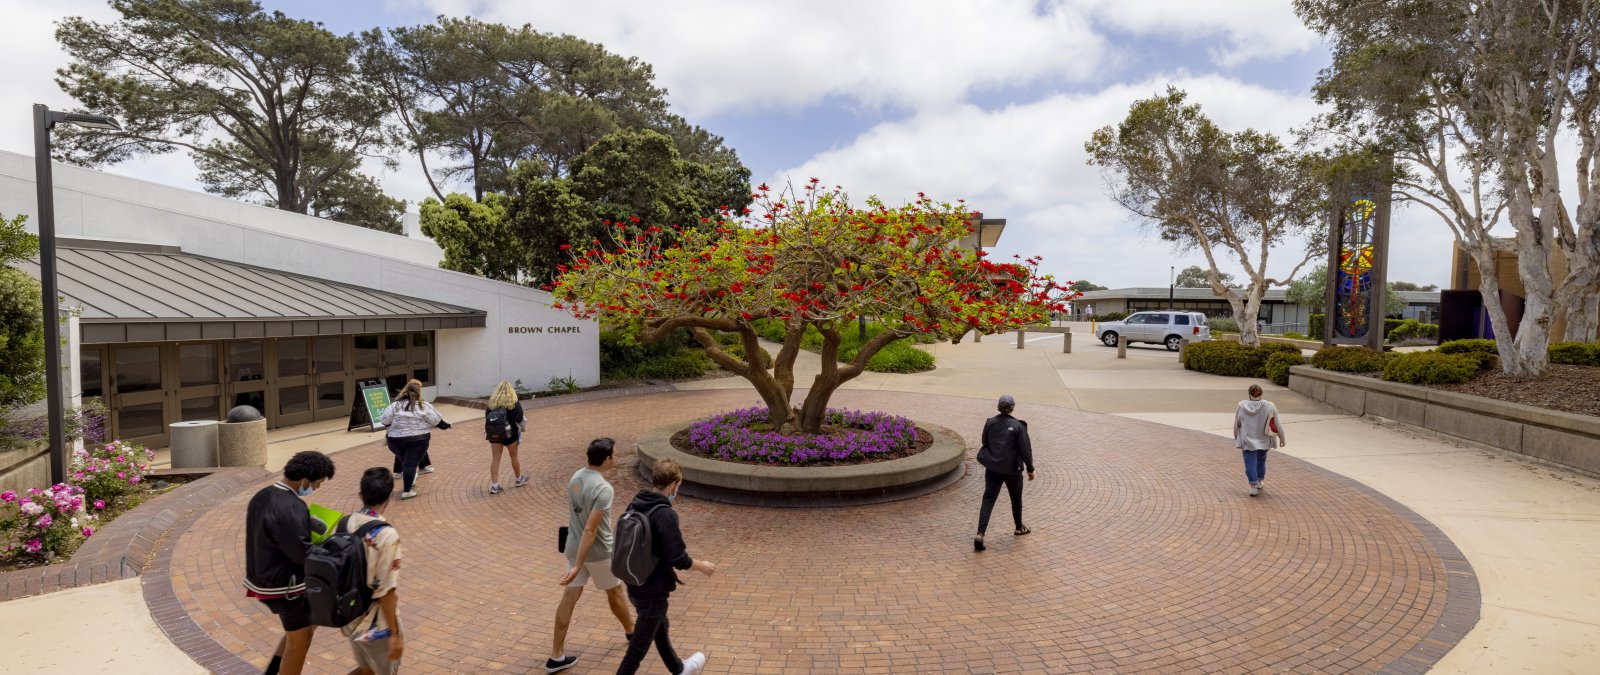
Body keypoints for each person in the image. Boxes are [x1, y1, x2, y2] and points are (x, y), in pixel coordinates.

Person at [616, 459, 714, 675]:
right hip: (653, 590)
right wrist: (702, 566)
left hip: (635, 584)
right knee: (636, 651)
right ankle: (679, 669)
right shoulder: (665, 514)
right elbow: (679, 558)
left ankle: (678, 669)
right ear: (673, 485)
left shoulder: (636, 502)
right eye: (678, 486)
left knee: (660, 626)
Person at [546, 438, 635, 672]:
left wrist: (575, 560)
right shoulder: (604, 489)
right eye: (614, 454)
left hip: (573, 546)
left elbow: (577, 518)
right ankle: (632, 633)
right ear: (606, 459)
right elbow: (591, 529)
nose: (616, 458)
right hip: (597, 552)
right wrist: (579, 564)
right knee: (615, 591)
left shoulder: (576, 477)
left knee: (569, 597)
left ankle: (556, 656)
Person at [244, 450, 335, 675]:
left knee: (300, 629)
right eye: (317, 483)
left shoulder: (263, 495)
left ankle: (273, 670)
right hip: (287, 587)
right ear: (305, 478)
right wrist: (328, 550)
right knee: (300, 641)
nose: (317, 488)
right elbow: (300, 553)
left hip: (263, 578)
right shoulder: (291, 506)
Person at [342, 467, 405, 674]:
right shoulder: (387, 535)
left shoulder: (345, 523)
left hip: (350, 615)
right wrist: (395, 634)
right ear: (389, 496)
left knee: (366, 669)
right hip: (376, 624)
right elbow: (386, 591)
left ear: (360, 495)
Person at [974, 394, 1035, 552]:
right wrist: (1030, 469)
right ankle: (1019, 527)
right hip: (1012, 470)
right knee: (1016, 499)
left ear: (998, 407)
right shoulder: (1018, 426)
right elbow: (1026, 450)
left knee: (988, 499)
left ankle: (980, 534)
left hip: (993, 468)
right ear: (1012, 408)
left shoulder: (990, 423)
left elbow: (984, 441)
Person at [381, 379, 450, 500]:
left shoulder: (394, 405)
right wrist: (448, 425)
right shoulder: (424, 406)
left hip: (395, 441)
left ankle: (410, 476)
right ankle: (407, 491)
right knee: (410, 465)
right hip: (418, 440)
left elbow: (384, 421)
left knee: (406, 462)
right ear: (420, 392)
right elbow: (438, 422)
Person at [1234, 384, 1287, 496]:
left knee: (1250, 462)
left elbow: (1237, 423)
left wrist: (1236, 436)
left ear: (1249, 394)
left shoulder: (1241, 405)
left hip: (1247, 440)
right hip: (1264, 438)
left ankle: (1253, 486)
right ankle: (1259, 481)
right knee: (1261, 459)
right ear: (1261, 394)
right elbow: (1277, 423)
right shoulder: (1269, 405)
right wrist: (1282, 438)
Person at [484, 381, 528, 495]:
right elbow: (519, 418)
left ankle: (494, 485)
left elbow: (487, 417)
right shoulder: (514, 402)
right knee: (514, 456)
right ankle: (518, 479)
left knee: (495, 459)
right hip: (510, 434)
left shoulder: (492, 403)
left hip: (495, 435)